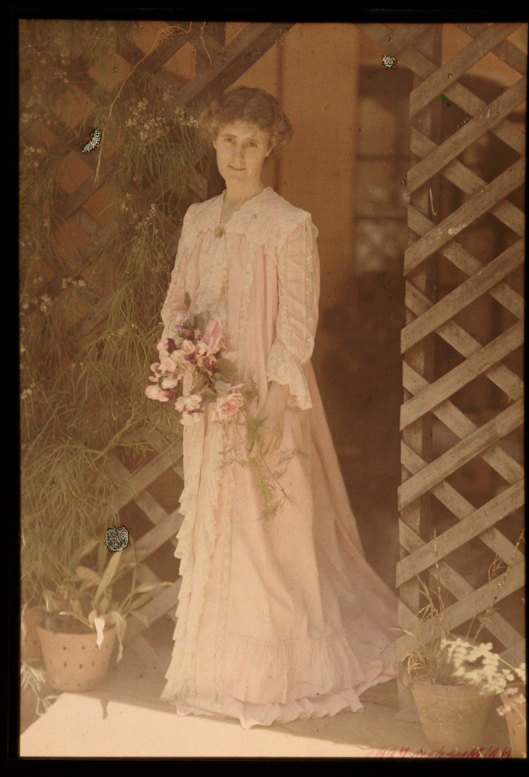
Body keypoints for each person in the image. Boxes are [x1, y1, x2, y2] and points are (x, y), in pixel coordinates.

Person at [159, 86, 398, 728]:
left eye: (252, 143)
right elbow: (176, 301)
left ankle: (277, 675)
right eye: (228, 140)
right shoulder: (197, 218)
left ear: (271, 150)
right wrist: (181, 356)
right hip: (209, 398)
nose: (238, 154)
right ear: (214, 142)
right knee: (221, 525)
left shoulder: (288, 224)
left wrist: (272, 398)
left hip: (266, 394)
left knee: (271, 531)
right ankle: (214, 673)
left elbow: (297, 324)